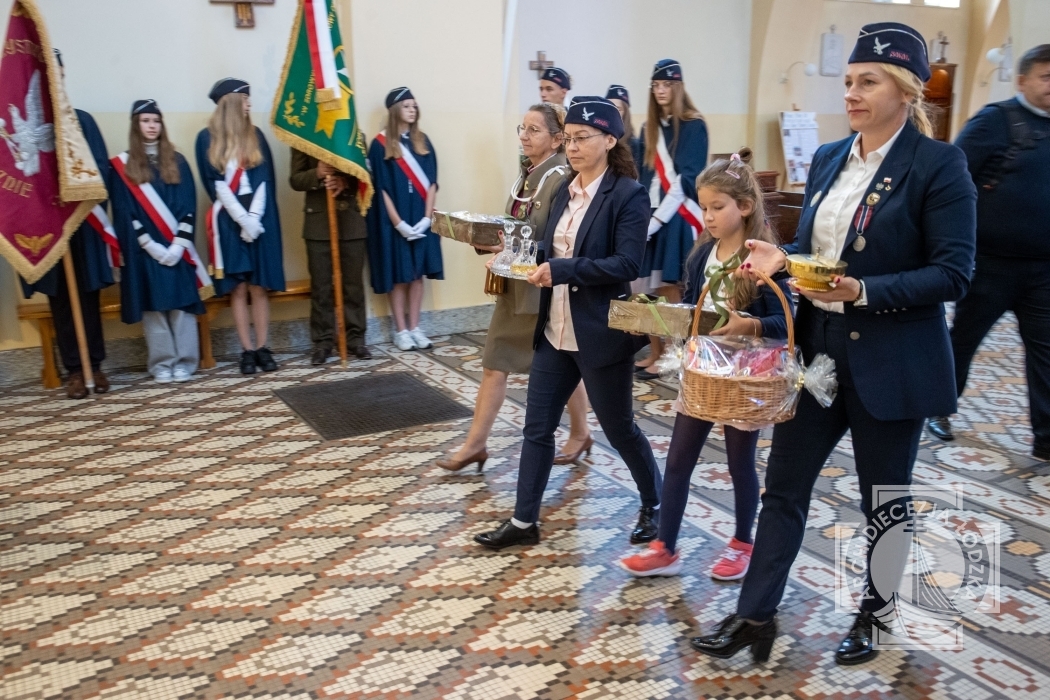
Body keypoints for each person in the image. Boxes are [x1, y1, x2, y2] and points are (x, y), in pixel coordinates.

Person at [689, 23, 976, 666]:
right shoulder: (828, 158)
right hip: (819, 354)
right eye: (848, 81)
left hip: (892, 357)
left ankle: (877, 614)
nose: (851, 92)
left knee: (884, 498)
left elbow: (954, 274)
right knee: (784, 488)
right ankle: (754, 616)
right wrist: (779, 258)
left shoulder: (937, 166)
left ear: (906, 91)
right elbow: (812, 252)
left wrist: (863, 291)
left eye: (867, 82)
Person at [474, 97, 663, 550]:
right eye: (570, 139)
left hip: (599, 332)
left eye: (582, 138)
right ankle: (524, 521)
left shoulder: (628, 195)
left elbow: (627, 264)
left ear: (609, 141)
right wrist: (509, 255)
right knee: (537, 428)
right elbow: (549, 249)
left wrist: (563, 270)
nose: (573, 147)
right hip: (554, 331)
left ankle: (656, 503)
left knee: (619, 429)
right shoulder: (565, 189)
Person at [619, 149, 791, 581]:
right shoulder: (701, 256)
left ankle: (742, 543)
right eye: (704, 208)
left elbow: (786, 320)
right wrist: (653, 321)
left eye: (718, 207)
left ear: (744, 206)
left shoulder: (764, 259)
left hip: (745, 376)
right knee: (678, 459)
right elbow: (693, 313)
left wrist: (749, 324)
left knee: (739, 462)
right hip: (703, 372)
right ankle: (665, 547)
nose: (708, 217)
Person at [438, 103, 592, 471]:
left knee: (559, 362)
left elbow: (555, 241)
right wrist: (483, 237)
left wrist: (508, 248)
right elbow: (515, 227)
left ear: (557, 139)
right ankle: (476, 444)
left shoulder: (560, 179)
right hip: (515, 286)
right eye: (522, 128)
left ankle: (580, 431)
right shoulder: (529, 175)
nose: (524, 136)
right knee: (496, 362)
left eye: (533, 130)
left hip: (540, 290)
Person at [927, 44, 1050, 460]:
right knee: (962, 341)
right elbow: (952, 180)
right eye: (1047, 77)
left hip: (1044, 269)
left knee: (1046, 352)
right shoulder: (996, 121)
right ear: (1023, 80)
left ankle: (1047, 438)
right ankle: (938, 408)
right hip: (989, 264)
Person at [19, 49, 115, 399]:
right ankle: (74, 369)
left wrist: (76, 192)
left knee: (88, 294)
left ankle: (95, 365)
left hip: (82, 223)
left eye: (59, 75)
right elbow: (23, 176)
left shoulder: (82, 121)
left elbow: (101, 170)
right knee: (60, 298)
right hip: (49, 227)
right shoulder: (29, 128)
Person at [110, 100, 208, 384]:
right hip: (145, 251)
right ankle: (162, 363)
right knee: (153, 307)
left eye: (156, 120)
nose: (152, 126)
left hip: (178, 249)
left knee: (181, 306)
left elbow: (188, 207)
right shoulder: (123, 166)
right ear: (135, 125)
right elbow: (124, 211)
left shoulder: (178, 161)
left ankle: (186, 362)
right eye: (145, 121)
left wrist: (178, 246)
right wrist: (148, 244)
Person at [195, 78, 285, 375]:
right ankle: (246, 350)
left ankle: (262, 346)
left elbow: (266, 180)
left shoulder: (255, 136)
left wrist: (254, 218)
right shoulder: (206, 139)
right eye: (245, 100)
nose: (249, 104)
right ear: (232, 102)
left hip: (260, 217)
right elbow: (215, 184)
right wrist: (242, 220)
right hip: (229, 219)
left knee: (258, 287)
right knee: (238, 287)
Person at [636, 59, 708, 380]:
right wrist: (641, 216)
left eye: (666, 85)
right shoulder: (648, 129)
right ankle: (656, 352)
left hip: (676, 215)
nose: (660, 91)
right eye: (656, 85)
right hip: (650, 211)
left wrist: (656, 222)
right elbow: (644, 176)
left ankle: (676, 354)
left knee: (668, 288)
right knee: (644, 289)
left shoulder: (693, 125)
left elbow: (686, 179)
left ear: (678, 87)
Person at [365, 87, 441, 351]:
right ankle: (401, 330)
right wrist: (398, 223)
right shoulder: (379, 145)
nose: (412, 110)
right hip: (394, 222)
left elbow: (432, 183)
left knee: (417, 275)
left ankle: (415, 327)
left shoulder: (423, 141)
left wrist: (426, 218)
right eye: (407, 106)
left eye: (414, 106)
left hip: (420, 217)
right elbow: (381, 189)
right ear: (395, 110)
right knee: (398, 275)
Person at [289, 148, 372, 364]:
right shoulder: (304, 138)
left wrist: (345, 182)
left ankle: (355, 339)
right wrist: (317, 173)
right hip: (318, 224)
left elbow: (367, 174)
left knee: (353, 287)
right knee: (321, 287)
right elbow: (295, 179)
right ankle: (323, 341)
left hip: (351, 222)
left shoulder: (353, 134)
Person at [606, 84, 643, 176]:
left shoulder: (633, 143)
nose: (613, 112)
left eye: (618, 109)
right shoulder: (600, 138)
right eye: (610, 107)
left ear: (625, 112)